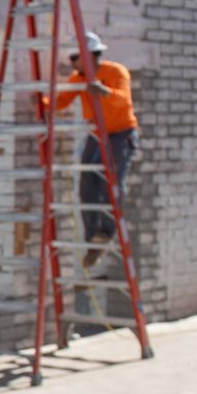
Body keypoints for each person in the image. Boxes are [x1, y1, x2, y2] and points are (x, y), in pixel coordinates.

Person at [50, 32, 139, 268]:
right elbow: (62, 101)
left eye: (75, 58)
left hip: (120, 134)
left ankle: (107, 231)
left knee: (111, 184)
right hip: (97, 135)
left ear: (89, 55)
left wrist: (104, 92)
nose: (73, 63)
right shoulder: (79, 78)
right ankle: (94, 238)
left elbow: (124, 100)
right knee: (87, 185)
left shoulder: (115, 72)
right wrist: (42, 103)